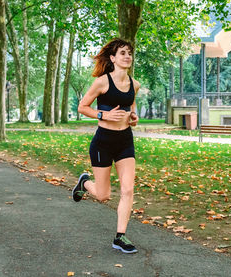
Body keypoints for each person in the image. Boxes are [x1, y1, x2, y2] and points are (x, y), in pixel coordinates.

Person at [72, 38, 140, 254]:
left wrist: (134, 118)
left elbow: (132, 108)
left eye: (129, 53)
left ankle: (120, 237)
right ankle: (84, 184)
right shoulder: (102, 82)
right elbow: (82, 107)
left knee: (128, 189)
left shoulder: (134, 85)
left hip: (125, 142)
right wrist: (104, 114)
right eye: (122, 53)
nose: (127, 56)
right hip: (103, 142)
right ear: (113, 58)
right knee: (103, 196)